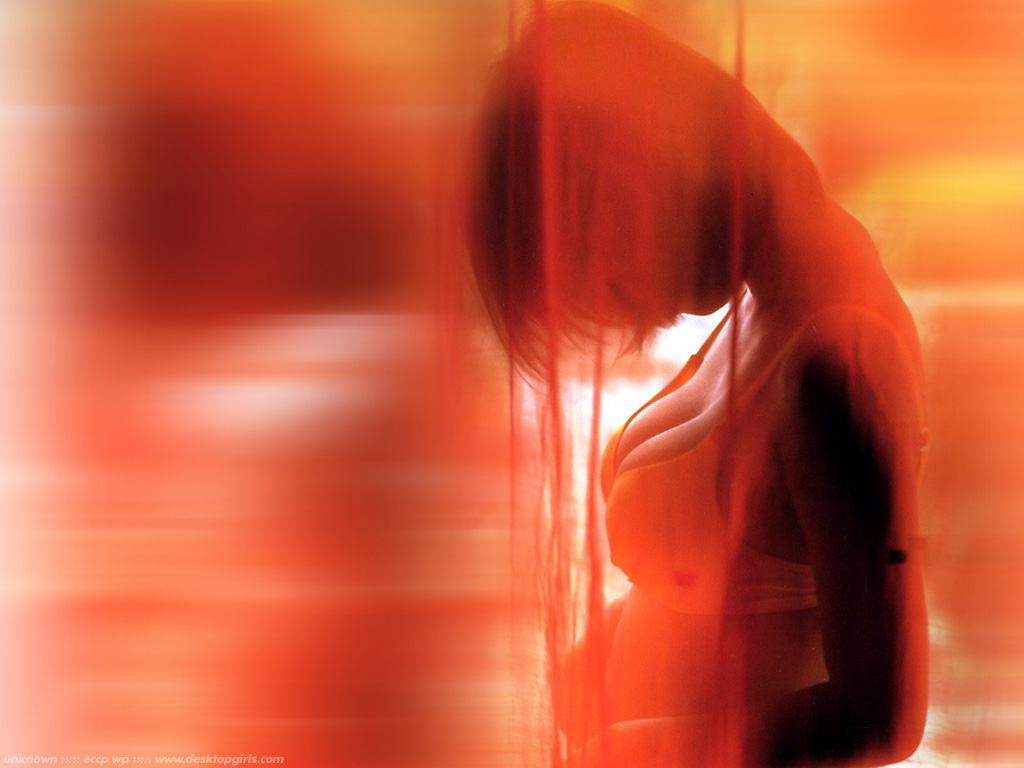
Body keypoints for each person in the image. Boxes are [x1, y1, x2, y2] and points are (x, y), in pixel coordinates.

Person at [468, 3, 928, 766]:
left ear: (633, 149)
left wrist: (642, 749)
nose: (645, 314)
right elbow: (727, 589)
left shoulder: (838, 362)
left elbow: (885, 716)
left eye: (610, 274)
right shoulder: (764, 307)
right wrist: (593, 660)